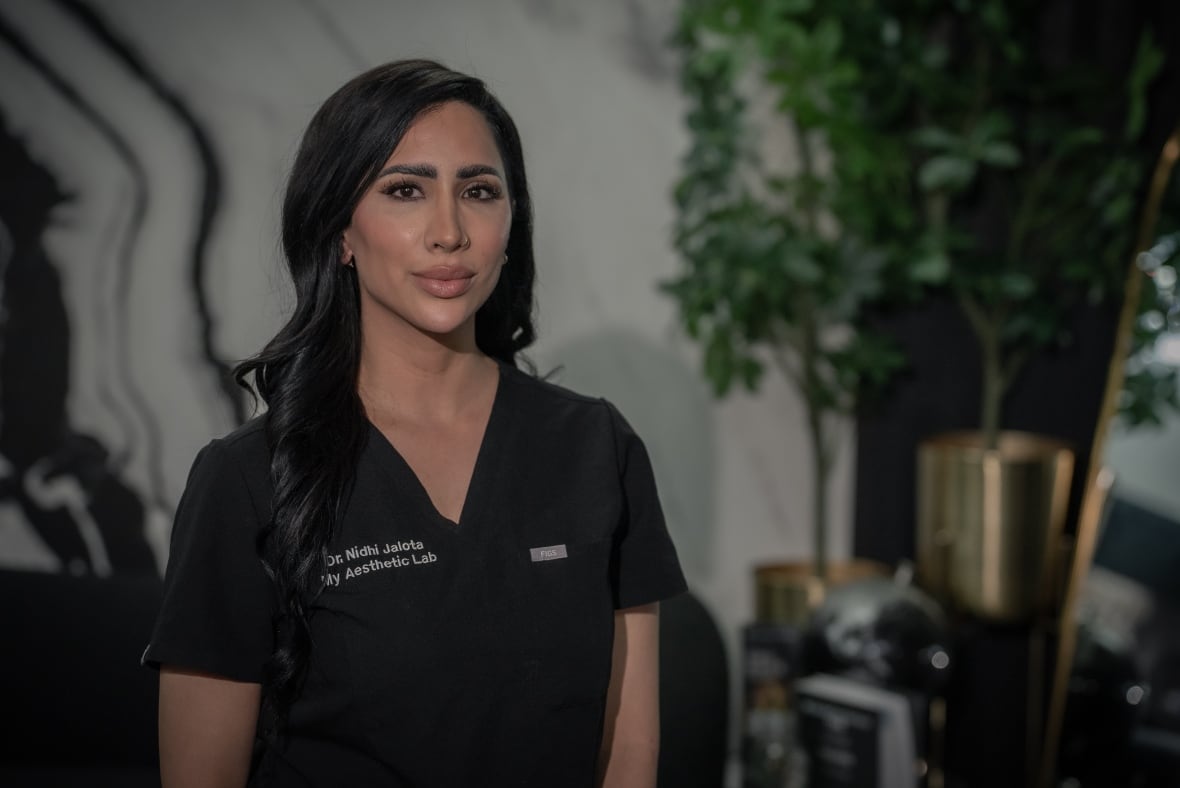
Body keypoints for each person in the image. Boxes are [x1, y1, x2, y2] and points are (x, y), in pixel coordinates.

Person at [141, 59, 686, 787]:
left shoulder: (597, 447)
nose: (449, 231)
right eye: (405, 190)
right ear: (340, 231)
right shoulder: (246, 478)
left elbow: (628, 754)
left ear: (509, 221)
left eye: (479, 191)